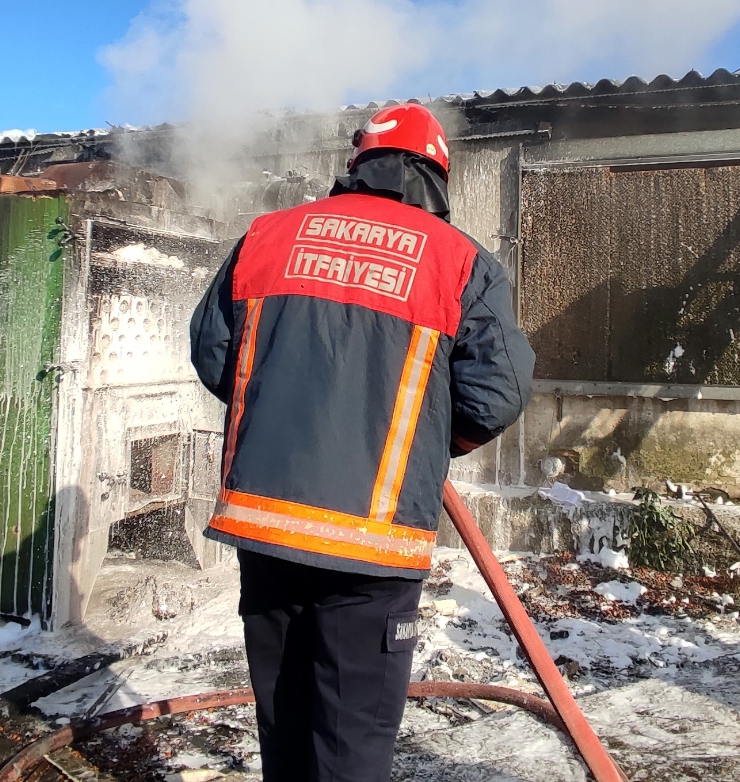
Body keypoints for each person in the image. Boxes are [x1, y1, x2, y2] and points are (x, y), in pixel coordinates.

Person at [189, 102, 535, 782]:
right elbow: (496, 393)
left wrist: (283, 406)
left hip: (265, 529)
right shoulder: (461, 261)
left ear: (358, 165)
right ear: (434, 175)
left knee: (283, 731)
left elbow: (212, 353)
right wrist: (424, 444)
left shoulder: (267, 235)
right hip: (371, 549)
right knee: (348, 746)